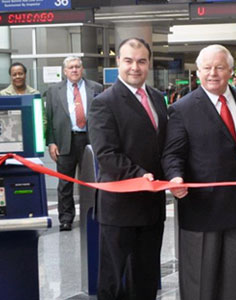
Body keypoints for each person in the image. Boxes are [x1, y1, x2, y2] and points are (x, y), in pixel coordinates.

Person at [162, 44, 236, 300]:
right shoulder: (183, 109)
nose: (213, 73)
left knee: (235, 284)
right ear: (198, 72)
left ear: (231, 71)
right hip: (202, 211)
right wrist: (175, 177)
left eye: (219, 67)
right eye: (207, 68)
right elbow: (172, 153)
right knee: (199, 287)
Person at [87, 38, 167, 300]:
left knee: (145, 279)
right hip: (119, 208)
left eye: (142, 61)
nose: (135, 67)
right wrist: (140, 176)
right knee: (112, 280)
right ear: (118, 62)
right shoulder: (104, 102)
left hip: (152, 207)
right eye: (129, 60)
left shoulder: (157, 98)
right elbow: (106, 154)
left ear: (149, 64)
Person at [45, 56, 103, 231]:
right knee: (65, 183)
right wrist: (51, 143)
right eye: (71, 67)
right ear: (64, 71)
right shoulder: (54, 90)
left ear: (82, 69)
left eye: (77, 66)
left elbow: (102, 115)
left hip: (90, 140)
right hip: (65, 140)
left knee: (94, 180)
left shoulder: (96, 88)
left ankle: (96, 214)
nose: (74, 70)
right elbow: (49, 118)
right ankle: (66, 218)